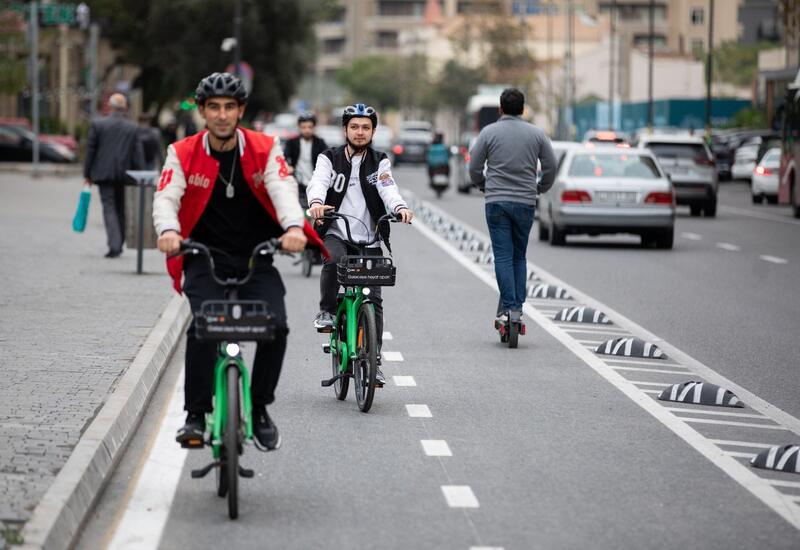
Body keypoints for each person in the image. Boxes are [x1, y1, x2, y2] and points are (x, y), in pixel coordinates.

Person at [152, 72, 326, 450]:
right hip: (203, 256)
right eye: (213, 107)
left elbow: (282, 188)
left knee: (276, 327)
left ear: (240, 111)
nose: (221, 115)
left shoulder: (265, 147)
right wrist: (168, 231)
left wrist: (294, 228)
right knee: (201, 327)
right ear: (201, 111)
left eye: (229, 107)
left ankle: (260, 408)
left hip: (256, 256)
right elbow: (166, 197)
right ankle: (195, 416)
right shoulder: (182, 152)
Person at [306, 103, 413, 386]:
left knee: (374, 301)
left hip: (371, 237)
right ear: (345, 130)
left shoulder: (380, 161)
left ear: (373, 131)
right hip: (337, 230)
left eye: (366, 127)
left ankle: (374, 362)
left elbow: (388, 188)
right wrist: (316, 203)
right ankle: (327, 311)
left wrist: (400, 207)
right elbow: (318, 182)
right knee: (333, 259)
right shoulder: (329, 158)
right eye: (354, 126)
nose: (360, 132)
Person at [468, 88, 557, 325]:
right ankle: (517, 305)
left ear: (501, 108)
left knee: (503, 256)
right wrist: (540, 187)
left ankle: (509, 306)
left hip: (496, 201)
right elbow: (551, 165)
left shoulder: (488, 133)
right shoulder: (537, 134)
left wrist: (482, 184)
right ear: (523, 109)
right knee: (519, 255)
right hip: (526, 202)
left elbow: (474, 166)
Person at [83, 93, 145, 258]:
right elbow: (138, 154)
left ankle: (114, 244)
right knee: (121, 208)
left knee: (109, 207)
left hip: (103, 174)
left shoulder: (98, 125)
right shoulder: (132, 128)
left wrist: (87, 173)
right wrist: (141, 175)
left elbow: (90, 151)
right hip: (126, 175)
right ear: (124, 107)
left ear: (110, 106)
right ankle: (120, 240)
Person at [283, 112, 328, 209]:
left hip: (315, 183)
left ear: (314, 127)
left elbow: (327, 160)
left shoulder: (320, 143)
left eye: (310, 127)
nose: (307, 130)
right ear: (299, 127)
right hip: (297, 182)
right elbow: (284, 157)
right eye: (303, 127)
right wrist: (288, 166)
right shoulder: (291, 142)